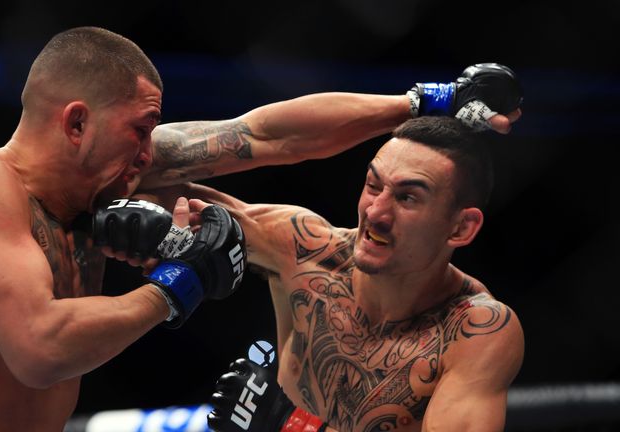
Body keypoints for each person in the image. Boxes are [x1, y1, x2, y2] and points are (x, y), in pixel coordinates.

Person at [0, 22, 519, 431]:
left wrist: (423, 101)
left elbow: (271, 136)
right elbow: (38, 349)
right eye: (140, 130)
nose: (151, 152)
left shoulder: (115, 178)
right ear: (77, 122)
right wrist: (177, 284)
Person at [170, 116, 524, 432]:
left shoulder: (475, 331)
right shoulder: (304, 247)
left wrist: (290, 426)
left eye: (407, 198)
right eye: (373, 185)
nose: (376, 212)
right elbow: (154, 170)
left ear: (461, 227)